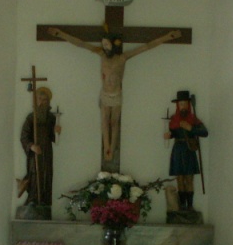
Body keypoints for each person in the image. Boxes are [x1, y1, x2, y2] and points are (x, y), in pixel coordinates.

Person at [48, 26, 181, 165]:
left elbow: (146, 47)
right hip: (105, 95)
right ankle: (107, 148)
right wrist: (60, 34)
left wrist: (168, 37)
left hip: (117, 95)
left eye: (107, 44)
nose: (105, 47)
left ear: (113, 44)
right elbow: (81, 44)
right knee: (105, 121)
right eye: (103, 44)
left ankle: (112, 147)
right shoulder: (101, 55)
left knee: (114, 122)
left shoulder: (122, 58)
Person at [165, 90, 208, 210]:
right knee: (180, 179)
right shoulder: (174, 119)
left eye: (184, 104)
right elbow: (173, 133)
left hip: (189, 150)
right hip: (178, 150)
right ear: (177, 105)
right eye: (180, 104)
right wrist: (169, 135)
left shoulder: (193, 119)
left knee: (189, 178)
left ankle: (190, 206)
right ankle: (182, 205)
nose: (182, 106)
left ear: (188, 105)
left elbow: (204, 132)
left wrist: (191, 128)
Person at [18, 86, 61, 207]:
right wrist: (32, 146)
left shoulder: (51, 118)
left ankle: (44, 203)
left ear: (48, 102)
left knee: (46, 175)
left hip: (46, 152)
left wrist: (57, 132)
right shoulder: (30, 118)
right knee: (34, 174)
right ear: (36, 100)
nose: (42, 102)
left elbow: (54, 138)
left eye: (45, 100)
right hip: (35, 154)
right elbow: (24, 136)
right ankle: (33, 200)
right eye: (39, 99)